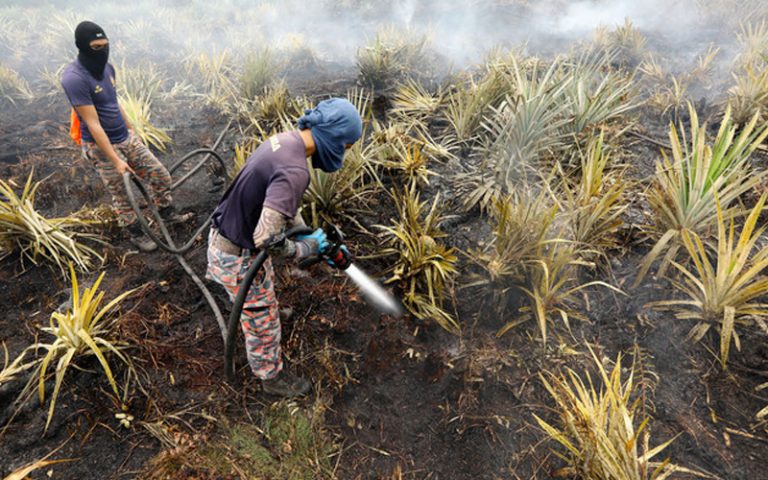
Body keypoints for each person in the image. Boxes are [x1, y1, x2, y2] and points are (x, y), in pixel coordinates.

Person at [206, 98, 362, 397]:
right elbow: (265, 239)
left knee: (264, 298)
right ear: (335, 137)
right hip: (236, 259)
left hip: (227, 239)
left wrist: (308, 235)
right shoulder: (295, 171)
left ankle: (264, 309)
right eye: (346, 146)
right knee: (261, 321)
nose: (346, 153)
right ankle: (270, 377)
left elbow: (280, 206)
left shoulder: (285, 142)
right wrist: (302, 251)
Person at [61, 21, 188, 252]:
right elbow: (92, 123)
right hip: (101, 145)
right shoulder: (74, 78)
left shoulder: (108, 69)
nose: (103, 50)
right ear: (82, 46)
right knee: (122, 193)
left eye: (106, 45)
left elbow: (113, 101)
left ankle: (166, 214)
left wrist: (131, 129)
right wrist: (117, 159)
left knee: (160, 176)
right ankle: (135, 231)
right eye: (97, 46)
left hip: (124, 135)